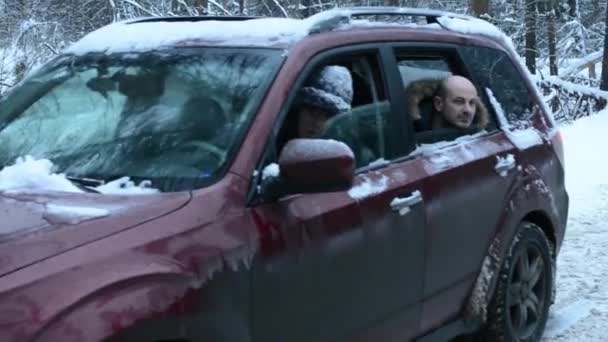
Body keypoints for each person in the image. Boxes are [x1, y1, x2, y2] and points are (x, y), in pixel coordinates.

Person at [287, 65, 354, 139]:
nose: (315, 122)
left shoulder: (344, 149)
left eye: (327, 113)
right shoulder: (276, 142)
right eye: (311, 109)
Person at [406, 75, 489, 131]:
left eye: (472, 103)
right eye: (459, 102)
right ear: (438, 104)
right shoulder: (408, 132)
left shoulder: (477, 135)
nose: (468, 110)